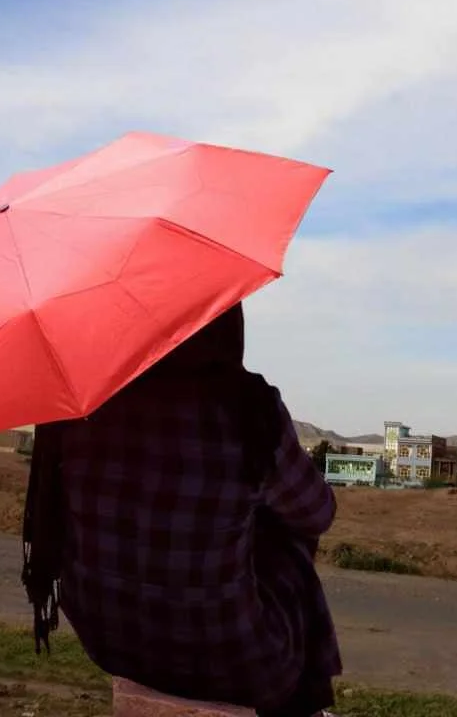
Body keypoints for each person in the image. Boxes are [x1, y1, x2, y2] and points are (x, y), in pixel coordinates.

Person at [21, 302, 341, 717]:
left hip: (109, 640)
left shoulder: (84, 400)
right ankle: (304, 704)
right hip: (241, 662)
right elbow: (317, 513)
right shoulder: (248, 410)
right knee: (287, 537)